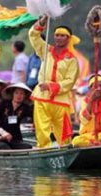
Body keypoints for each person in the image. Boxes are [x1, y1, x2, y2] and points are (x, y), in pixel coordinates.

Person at [29, 16, 79, 148]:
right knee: (41, 129)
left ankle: (65, 151)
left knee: (63, 132)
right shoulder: (45, 50)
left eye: (63, 35)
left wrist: (51, 86)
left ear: (68, 38)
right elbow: (33, 35)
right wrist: (42, 22)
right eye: (57, 35)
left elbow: (70, 81)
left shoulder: (72, 59)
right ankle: (43, 151)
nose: (59, 38)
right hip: (42, 97)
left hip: (60, 100)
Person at [0, 83, 34, 150]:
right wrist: (3, 132)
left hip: (14, 139)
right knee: (4, 147)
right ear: (12, 94)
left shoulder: (25, 107)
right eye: (16, 93)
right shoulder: (4, 103)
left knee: (27, 147)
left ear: (25, 95)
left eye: (22, 93)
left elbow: (35, 116)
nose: (19, 96)